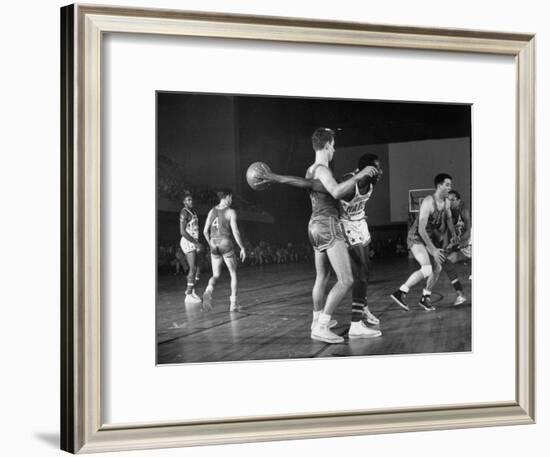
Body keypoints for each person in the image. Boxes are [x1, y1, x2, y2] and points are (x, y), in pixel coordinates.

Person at [257, 128, 379, 342]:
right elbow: (337, 192)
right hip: (328, 225)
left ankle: (316, 319)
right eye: (333, 146)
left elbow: (305, 184)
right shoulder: (323, 169)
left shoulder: (311, 169)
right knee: (346, 279)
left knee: (322, 277)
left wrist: (276, 177)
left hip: (314, 225)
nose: (334, 150)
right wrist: (359, 175)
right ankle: (322, 326)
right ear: (327, 145)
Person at [390, 173, 455, 312]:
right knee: (427, 269)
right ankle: (400, 292)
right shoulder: (428, 202)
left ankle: (425, 298)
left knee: (437, 269)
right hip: (416, 236)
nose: (450, 187)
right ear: (439, 186)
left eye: (450, 185)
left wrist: (454, 235)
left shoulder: (446, 202)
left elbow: (449, 219)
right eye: (447, 184)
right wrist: (434, 250)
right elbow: (421, 229)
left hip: (429, 238)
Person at [202, 189, 246, 312]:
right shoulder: (231, 212)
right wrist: (242, 247)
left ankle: (208, 291)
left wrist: (210, 243)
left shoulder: (212, 211)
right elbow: (235, 231)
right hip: (225, 242)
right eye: (231, 198)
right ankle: (233, 304)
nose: (231, 200)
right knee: (233, 273)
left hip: (213, 243)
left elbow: (205, 231)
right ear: (227, 197)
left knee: (215, 275)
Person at [443, 190, 471, 305]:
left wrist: (456, 242)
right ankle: (460, 294)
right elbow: (451, 234)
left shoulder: (464, 211)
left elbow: (469, 232)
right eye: (447, 200)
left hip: (471, 244)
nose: (449, 202)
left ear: (458, 200)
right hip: (463, 247)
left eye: (452, 199)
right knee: (446, 261)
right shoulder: (448, 214)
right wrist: (448, 246)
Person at [179, 192, 202, 302]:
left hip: (194, 241)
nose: (190, 201)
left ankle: (191, 290)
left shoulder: (193, 212)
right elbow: (183, 232)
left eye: (191, 199)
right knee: (192, 268)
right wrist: (195, 243)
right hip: (188, 241)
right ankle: (188, 295)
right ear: (184, 202)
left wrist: (197, 242)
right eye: (188, 200)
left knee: (198, 269)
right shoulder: (184, 212)